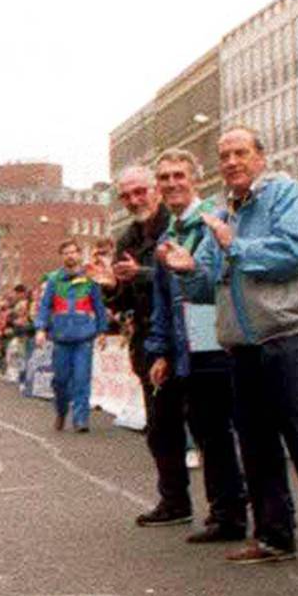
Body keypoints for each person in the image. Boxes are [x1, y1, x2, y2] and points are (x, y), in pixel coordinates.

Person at [160, 127, 298, 569]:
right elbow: (211, 280)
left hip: (286, 335)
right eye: (224, 155)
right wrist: (188, 269)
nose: (231, 162)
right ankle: (273, 535)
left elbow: (292, 253)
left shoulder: (287, 195)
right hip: (241, 344)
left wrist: (236, 245)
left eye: (240, 153)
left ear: (260, 157)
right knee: (255, 443)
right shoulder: (222, 210)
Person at [143, 149, 247, 545]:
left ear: (195, 181)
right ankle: (224, 509)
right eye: (165, 178)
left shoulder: (212, 221)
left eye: (179, 176)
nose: (171, 184)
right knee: (205, 429)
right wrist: (161, 351)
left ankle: (231, 513)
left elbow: (216, 279)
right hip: (188, 341)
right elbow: (162, 301)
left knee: (219, 430)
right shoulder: (169, 235)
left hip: (216, 336)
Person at [100, 166, 193, 523]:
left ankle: (229, 508)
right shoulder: (127, 238)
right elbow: (122, 299)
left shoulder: (177, 224)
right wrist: (110, 286)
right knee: (160, 425)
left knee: (205, 424)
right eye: (126, 196)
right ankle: (174, 501)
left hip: (185, 332)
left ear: (155, 189)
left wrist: (141, 274)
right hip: (147, 337)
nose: (134, 201)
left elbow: (184, 276)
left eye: (140, 192)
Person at [33, 240, 106, 434]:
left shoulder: (90, 279)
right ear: (61, 256)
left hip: (84, 337)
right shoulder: (53, 280)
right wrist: (41, 328)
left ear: (80, 254)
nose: (70, 256)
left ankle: (81, 419)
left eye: (73, 252)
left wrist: (101, 331)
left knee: (82, 378)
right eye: (66, 253)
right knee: (61, 380)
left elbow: (99, 306)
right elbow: (44, 307)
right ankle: (61, 410)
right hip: (61, 337)